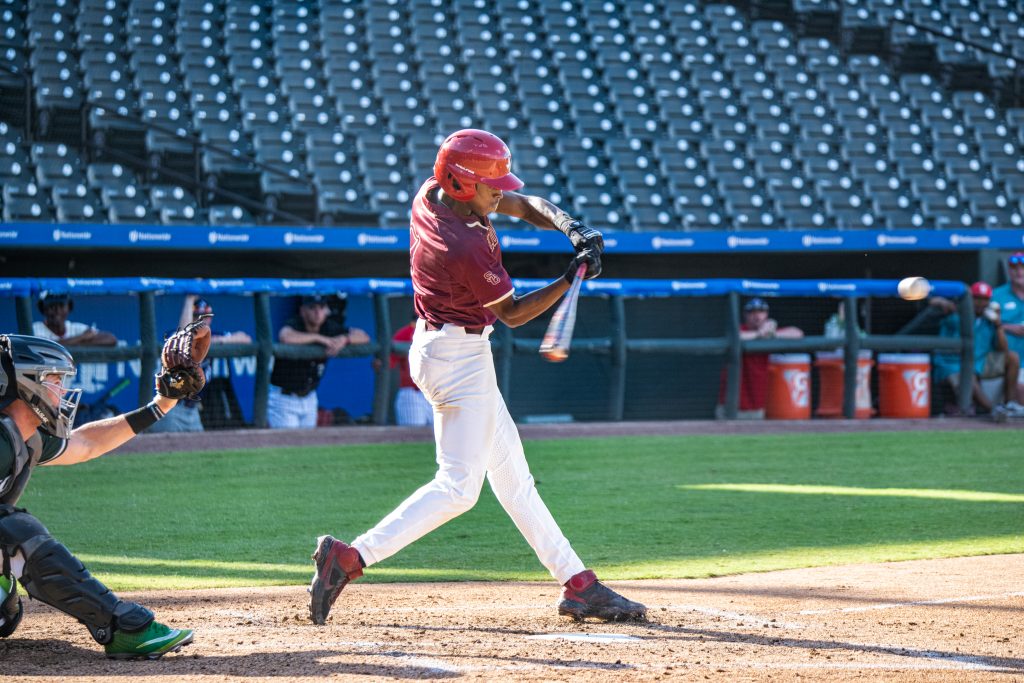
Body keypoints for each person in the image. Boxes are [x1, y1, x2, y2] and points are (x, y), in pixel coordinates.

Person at [308, 128, 645, 625]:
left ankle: (578, 585)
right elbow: (511, 314)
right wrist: (570, 276)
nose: (499, 194)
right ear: (463, 185)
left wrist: (569, 226)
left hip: (450, 350)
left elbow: (522, 205)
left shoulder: (434, 192)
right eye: (489, 186)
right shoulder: (461, 244)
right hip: (457, 357)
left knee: (514, 480)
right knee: (459, 487)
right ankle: (351, 558)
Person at [0, 334, 192, 658]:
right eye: (54, 380)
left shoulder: (23, 437)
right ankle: (121, 627)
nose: (62, 390)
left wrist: (161, 405)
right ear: (25, 383)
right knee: (15, 530)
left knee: (5, 608)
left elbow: (87, 444)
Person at [148, 295, 252, 433]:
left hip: (192, 410)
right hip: (169, 409)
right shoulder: (174, 334)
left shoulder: (212, 336)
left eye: (205, 316)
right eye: (197, 316)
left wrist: (220, 341)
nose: (201, 320)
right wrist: (189, 300)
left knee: (199, 449)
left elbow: (246, 338)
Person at [267, 295, 370, 429]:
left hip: (309, 397)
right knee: (290, 445)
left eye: (321, 308)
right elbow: (285, 336)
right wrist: (319, 339)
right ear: (303, 311)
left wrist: (345, 339)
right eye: (312, 308)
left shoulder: (328, 326)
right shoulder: (296, 323)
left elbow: (364, 336)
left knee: (309, 447)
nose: (317, 312)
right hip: (284, 398)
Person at [930, 281, 1024, 418]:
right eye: (977, 298)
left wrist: (998, 325)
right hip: (952, 364)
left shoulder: (989, 320)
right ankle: (994, 410)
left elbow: (1003, 348)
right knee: (969, 376)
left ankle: (1010, 405)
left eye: (985, 299)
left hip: (979, 362)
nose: (980, 303)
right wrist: (942, 303)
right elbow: (933, 301)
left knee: (1012, 358)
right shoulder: (956, 313)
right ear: (970, 299)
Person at [715, 297, 804, 419]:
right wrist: (759, 334)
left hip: (757, 405)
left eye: (761, 312)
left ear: (766, 314)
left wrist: (772, 333)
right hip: (732, 406)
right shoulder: (741, 330)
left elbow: (797, 333)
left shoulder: (769, 333)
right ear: (745, 315)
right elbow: (735, 336)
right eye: (752, 312)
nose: (757, 316)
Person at [32, 292, 118, 346]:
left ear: (69, 308)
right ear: (43, 309)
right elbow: (49, 348)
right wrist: (82, 337)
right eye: (52, 306)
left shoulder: (75, 327)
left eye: (61, 306)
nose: (57, 311)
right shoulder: (35, 328)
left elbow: (111, 339)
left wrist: (72, 343)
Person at [991, 252, 1024, 396]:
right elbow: (982, 327)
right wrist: (1008, 327)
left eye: (1022, 268)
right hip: (1004, 361)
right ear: (1008, 271)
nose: (1019, 272)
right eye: (1014, 268)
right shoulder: (996, 295)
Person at [390, 317, 431, 426]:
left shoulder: (443, 332)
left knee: (444, 437)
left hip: (438, 393)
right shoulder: (405, 333)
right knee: (414, 436)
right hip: (413, 395)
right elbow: (387, 364)